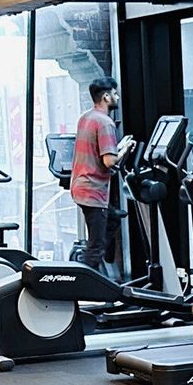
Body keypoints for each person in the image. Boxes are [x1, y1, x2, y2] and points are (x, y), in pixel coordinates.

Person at [71, 78, 123, 275]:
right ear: (106, 97)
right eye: (115, 94)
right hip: (93, 190)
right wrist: (124, 151)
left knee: (112, 220)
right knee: (95, 248)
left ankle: (103, 278)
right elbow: (109, 160)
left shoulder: (86, 118)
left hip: (80, 186)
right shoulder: (105, 123)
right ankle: (82, 284)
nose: (117, 97)